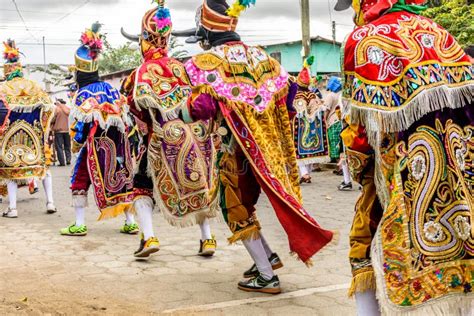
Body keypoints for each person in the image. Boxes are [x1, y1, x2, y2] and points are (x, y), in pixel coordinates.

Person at [173, 0, 335, 294]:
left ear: (206, 30)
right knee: (245, 205)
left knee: (233, 208)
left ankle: (265, 275)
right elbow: (289, 101)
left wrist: (179, 112)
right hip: (265, 149)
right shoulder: (264, 58)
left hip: (234, 149)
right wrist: (265, 129)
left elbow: (203, 106)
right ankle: (268, 256)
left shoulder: (207, 62)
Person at [334, 0, 474, 314]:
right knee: (464, 246)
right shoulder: (439, 32)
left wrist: (358, 167)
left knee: (362, 246)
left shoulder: (365, 40)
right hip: (454, 166)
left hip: (397, 170)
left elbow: (359, 130)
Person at [120, 0, 218, 259]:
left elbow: (137, 107)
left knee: (140, 184)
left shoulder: (140, 73)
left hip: (160, 139)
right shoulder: (182, 67)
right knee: (199, 183)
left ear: (145, 39)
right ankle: (208, 239)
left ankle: (149, 237)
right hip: (194, 137)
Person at [60, 23, 138, 236]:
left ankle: (79, 223)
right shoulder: (111, 89)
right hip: (119, 146)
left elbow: (81, 124)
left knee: (79, 179)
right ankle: (130, 221)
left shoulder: (83, 94)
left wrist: (77, 142)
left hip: (94, 145)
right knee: (123, 179)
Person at [0, 39, 56, 218]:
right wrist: (42, 129)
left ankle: (14, 208)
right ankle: (50, 202)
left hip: (11, 141)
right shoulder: (35, 87)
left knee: (11, 173)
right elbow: (50, 107)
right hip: (34, 140)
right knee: (44, 170)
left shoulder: (3, 88)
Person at [292, 57, 329, 184]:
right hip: (313, 129)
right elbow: (319, 109)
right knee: (310, 153)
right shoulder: (313, 95)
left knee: (299, 152)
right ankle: (306, 173)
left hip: (300, 128)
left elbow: (297, 111)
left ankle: (305, 174)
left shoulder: (297, 96)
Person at [322, 77, 343, 164]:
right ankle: (341, 165)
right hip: (341, 120)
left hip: (333, 121)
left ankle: (340, 167)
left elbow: (326, 110)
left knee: (334, 142)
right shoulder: (342, 94)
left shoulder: (331, 95)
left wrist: (325, 121)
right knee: (340, 143)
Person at [51, 99, 71, 166]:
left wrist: (51, 124)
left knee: (59, 146)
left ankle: (62, 162)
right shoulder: (68, 108)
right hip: (67, 130)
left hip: (58, 130)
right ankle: (68, 159)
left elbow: (53, 118)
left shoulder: (57, 109)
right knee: (67, 145)